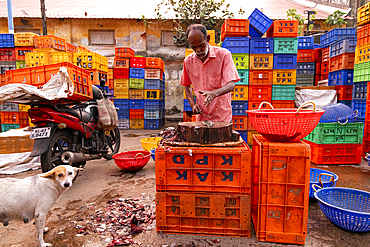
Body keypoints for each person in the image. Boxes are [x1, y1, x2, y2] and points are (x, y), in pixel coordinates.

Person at [180, 24, 240, 123]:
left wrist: (214, 93)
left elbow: (231, 85)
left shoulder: (224, 55)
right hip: (202, 118)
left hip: (222, 117)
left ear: (207, 39)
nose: (198, 50)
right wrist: (193, 104)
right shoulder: (188, 61)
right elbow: (186, 85)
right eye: (194, 47)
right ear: (189, 43)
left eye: (201, 45)